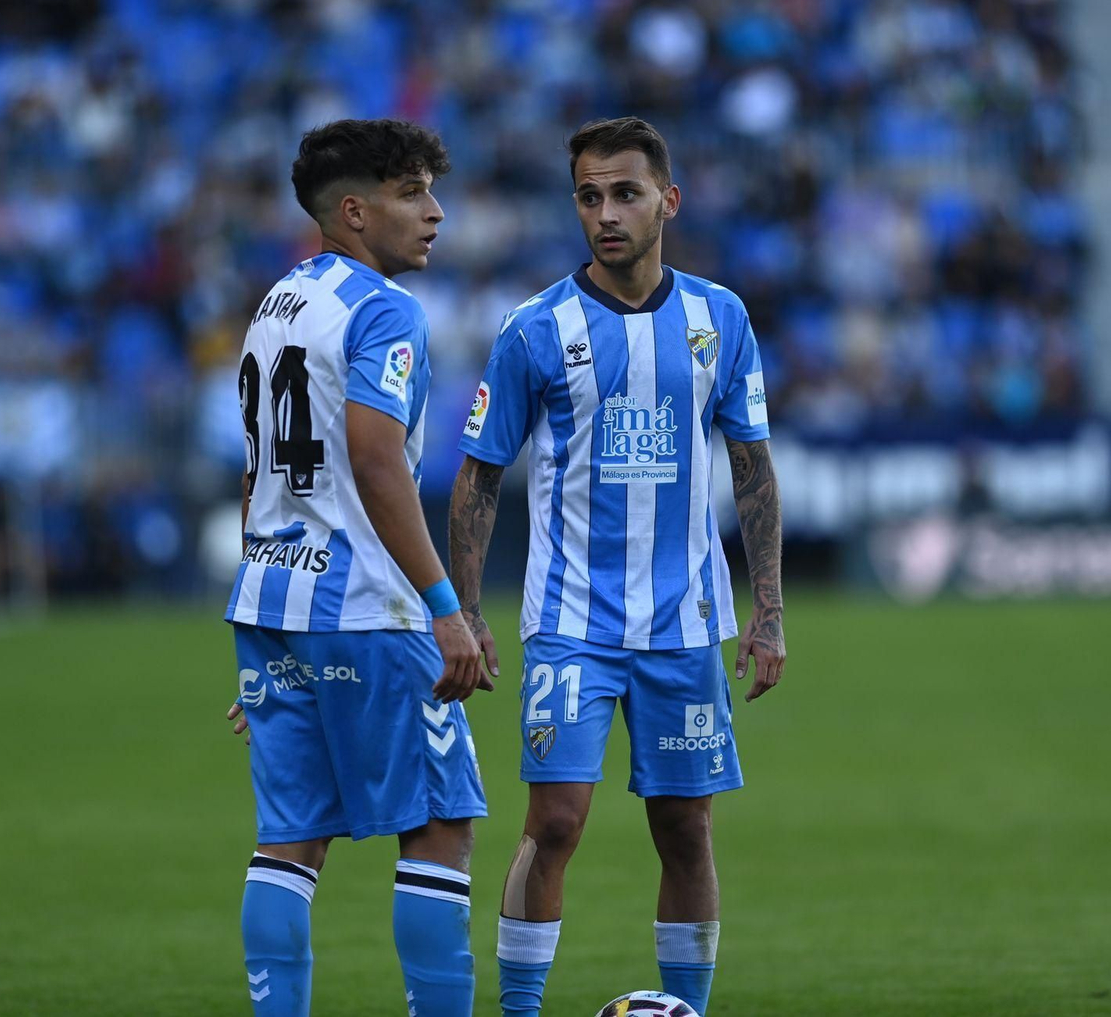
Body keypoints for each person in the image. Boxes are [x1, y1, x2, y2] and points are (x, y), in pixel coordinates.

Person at [447, 116, 787, 1017]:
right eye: (590, 196)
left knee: (685, 827)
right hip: (571, 625)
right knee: (554, 822)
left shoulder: (722, 318)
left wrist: (770, 611)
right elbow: (479, 474)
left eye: (626, 193)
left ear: (667, 200)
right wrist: (467, 608)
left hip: (683, 626)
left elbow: (752, 467)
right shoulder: (535, 330)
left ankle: (690, 1009)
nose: (606, 213)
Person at [224, 118, 492, 1017]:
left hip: (274, 595)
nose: (435, 213)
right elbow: (376, 458)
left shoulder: (278, 303)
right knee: (440, 823)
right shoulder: (386, 310)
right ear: (353, 210)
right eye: (412, 194)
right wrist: (445, 607)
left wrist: (282, 647)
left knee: (291, 840)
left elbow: (261, 464)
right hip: (368, 606)